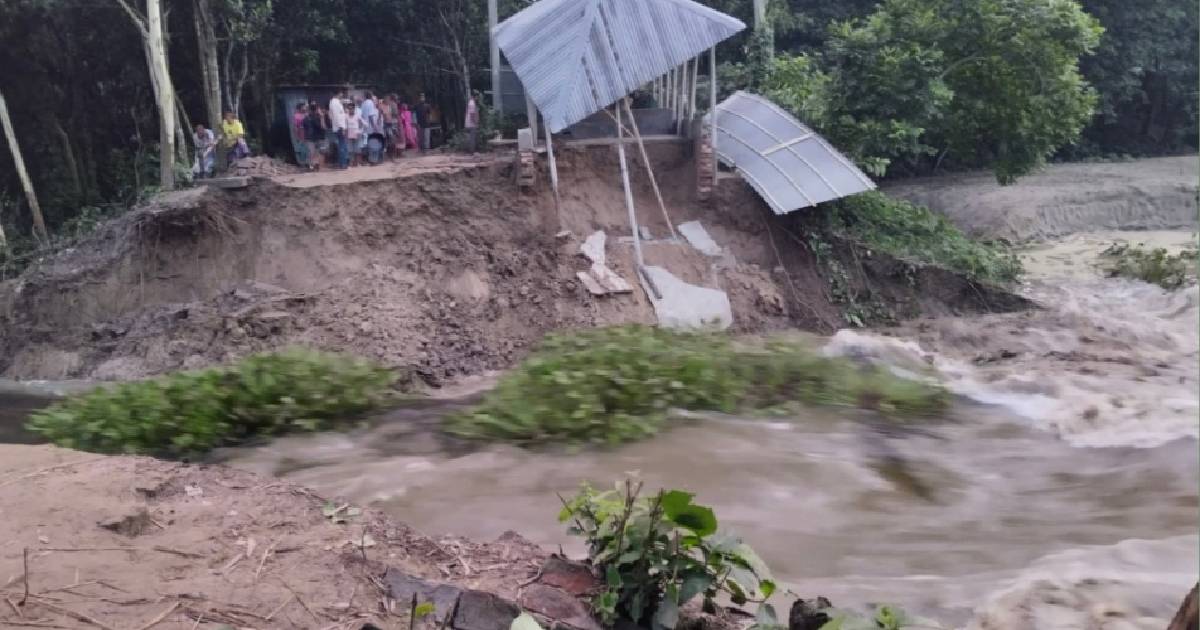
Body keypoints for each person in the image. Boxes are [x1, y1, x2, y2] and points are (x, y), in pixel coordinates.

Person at [329, 88, 348, 168]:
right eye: (341, 93)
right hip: (339, 127)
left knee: (342, 145)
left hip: (339, 126)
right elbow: (337, 116)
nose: (342, 95)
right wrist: (341, 127)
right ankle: (342, 164)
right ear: (338, 93)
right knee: (342, 146)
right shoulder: (335, 103)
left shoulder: (335, 102)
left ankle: (342, 163)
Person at [302, 103, 325, 170]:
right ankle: (314, 164)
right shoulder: (317, 117)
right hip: (317, 137)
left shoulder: (306, 118)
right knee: (316, 152)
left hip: (310, 137)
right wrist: (322, 117)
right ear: (316, 110)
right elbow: (322, 127)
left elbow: (305, 128)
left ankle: (311, 165)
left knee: (311, 152)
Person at [345, 102, 363, 167]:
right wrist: (346, 135)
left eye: (352, 108)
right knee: (350, 150)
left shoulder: (357, 116)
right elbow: (345, 126)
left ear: (354, 109)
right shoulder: (346, 116)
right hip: (349, 134)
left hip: (356, 134)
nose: (351, 110)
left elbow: (361, 124)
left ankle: (357, 163)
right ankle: (351, 163)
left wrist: (359, 132)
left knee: (357, 149)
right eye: (349, 109)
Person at [291, 102, 308, 166]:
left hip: (308, 133)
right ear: (300, 108)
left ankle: (308, 162)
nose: (305, 108)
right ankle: (303, 163)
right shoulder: (296, 116)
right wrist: (297, 136)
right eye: (304, 107)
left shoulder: (306, 114)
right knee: (303, 148)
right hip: (301, 133)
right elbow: (295, 127)